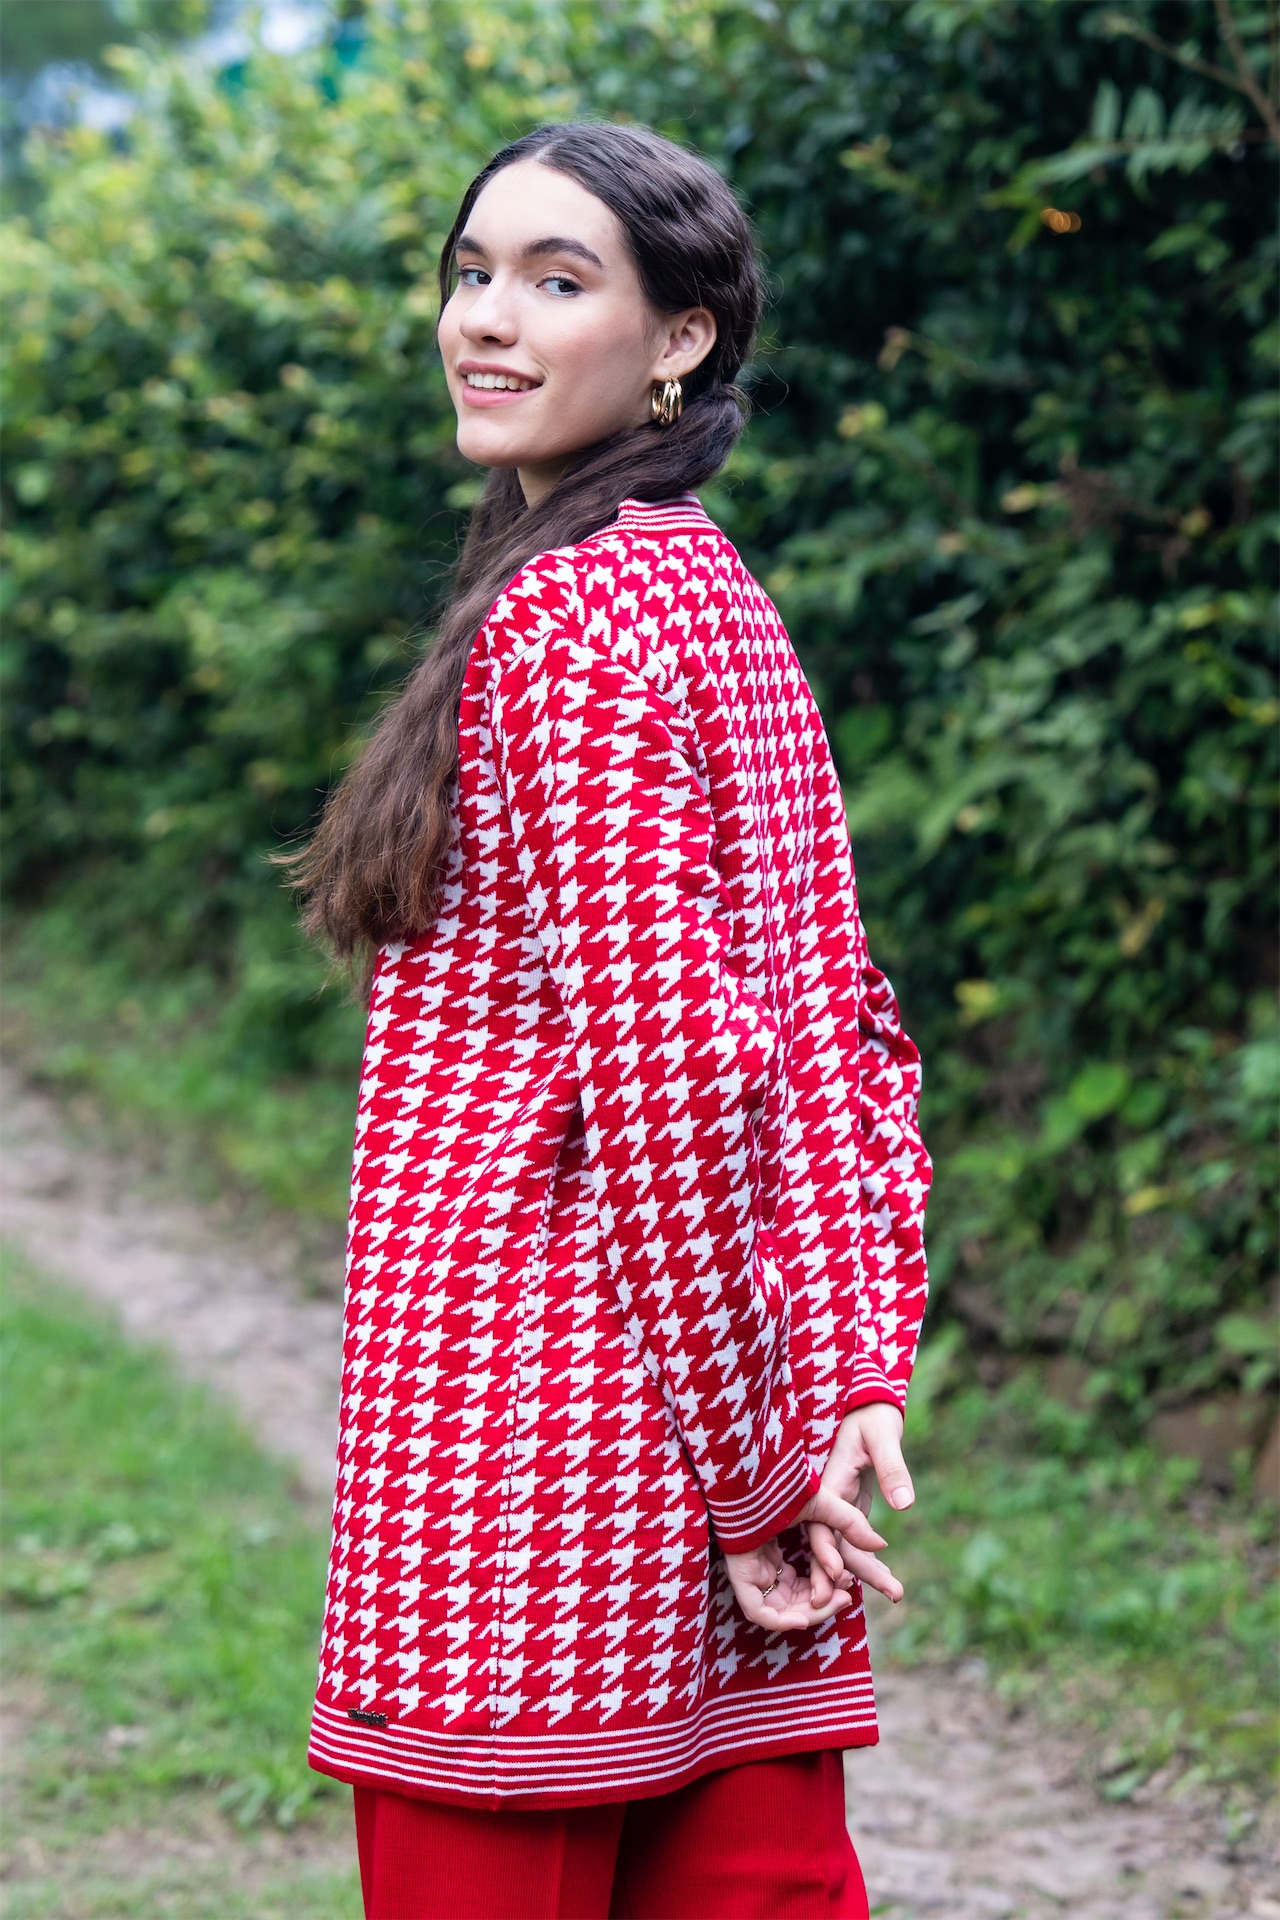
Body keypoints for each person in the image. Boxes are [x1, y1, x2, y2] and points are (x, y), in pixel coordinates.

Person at [290, 120, 931, 1920]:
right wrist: (842, 1371)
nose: (486, 320)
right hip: (707, 1443)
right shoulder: (708, 589)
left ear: (681, 338)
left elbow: (684, 1086)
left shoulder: (571, 618)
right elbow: (839, 1028)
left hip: (529, 1482)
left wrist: (757, 1486)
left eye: (556, 281)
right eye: (472, 272)